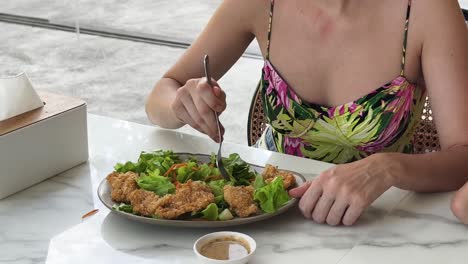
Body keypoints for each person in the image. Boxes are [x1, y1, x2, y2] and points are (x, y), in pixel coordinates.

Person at [146, 0, 468, 226]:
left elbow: (462, 156)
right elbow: (161, 95)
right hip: (266, 209)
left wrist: (386, 168)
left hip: (381, 219)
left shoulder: (427, 9)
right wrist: (180, 104)